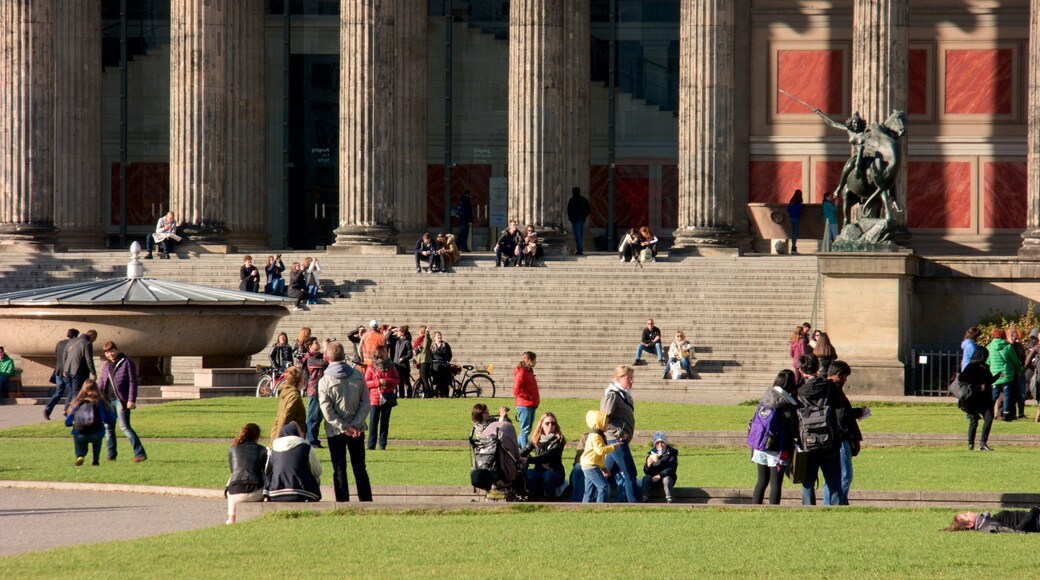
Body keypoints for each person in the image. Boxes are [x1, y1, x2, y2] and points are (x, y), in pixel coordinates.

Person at [318, 342, 372, 502]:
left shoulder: (325, 381)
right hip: (357, 428)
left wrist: (344, 427)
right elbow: (365, 403)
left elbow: (327, 411)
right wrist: (355, 424)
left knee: (339, 467)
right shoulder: (358, 375)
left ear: (327, 357)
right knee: (360, 467)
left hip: (335, 430)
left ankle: (342, 502)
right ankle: (366, 500)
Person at [796, 354, 842, 506]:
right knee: (834, 481)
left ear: (801, 370)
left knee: (808, 482)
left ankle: (808, 509)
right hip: (829, 439)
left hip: (807, 440)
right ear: (818, 367)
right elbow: (839, 408)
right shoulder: (830, 386)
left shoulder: (798, 390)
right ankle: (836, 509)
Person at [820, 360, 867, 506]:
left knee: (833, 475)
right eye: (845, 377)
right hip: (840, 437)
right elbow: (841, 414)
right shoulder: (834, 389)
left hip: (831, 436)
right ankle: (837, 503)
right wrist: (858, 412)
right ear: (839, 375)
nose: (846, 380)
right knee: (844, 475)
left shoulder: (825, 387)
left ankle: (836, 502)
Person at [749, 370, 800, 505]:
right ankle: (773, 509)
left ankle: (755, 507)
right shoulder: (788, 404)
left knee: (761, 480)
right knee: (776, 483)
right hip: (778, 448)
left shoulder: (766, 398)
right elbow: (793, 429)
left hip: (761, 443)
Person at [98, 341, 147, 463]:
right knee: (108, 428)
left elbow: (132, 382)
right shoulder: (106, 365)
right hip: (107, 400)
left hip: (121, 400)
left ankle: (140, 454)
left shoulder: (127, 362)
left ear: (117, 350)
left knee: (124, 427)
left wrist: (131, 399)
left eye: (112, 351)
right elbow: (101, 382)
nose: (110, 354)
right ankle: (111, 454)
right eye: (107, 353)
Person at [601, 365, 638, 502]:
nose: (631, 381)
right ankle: (634, 504)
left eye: (632, 378)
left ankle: (592, 499)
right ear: (618, 378)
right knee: (630, 472)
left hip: (620, 440)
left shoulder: (624, 395)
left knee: (606, 473)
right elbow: (603, 420)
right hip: (616, 441)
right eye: (628, 378)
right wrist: (619, 432)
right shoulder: (612, 395)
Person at [469, 404, 522, 500]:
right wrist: (501, 419)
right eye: (486, 412)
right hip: (491, 455)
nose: (488, 413)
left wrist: (504, 417)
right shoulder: (479, 427)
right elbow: (493, 435)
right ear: (480, 415)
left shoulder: (490, 421)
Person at [264, 422, 322, 502]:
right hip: (302, 493)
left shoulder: (274, 448)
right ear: (296, 433)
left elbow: (267, 471)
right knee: (316, 476)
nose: (303, 433)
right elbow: (318, 471)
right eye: (300, 430)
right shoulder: (306, 447)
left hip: (275, 492)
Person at [64, 379, 117, 466]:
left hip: (80, 433)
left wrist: (70, 423)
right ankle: (95, 460)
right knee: (97, 441)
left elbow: (67, 422)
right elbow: (111, 419)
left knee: (79, 443)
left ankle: (80, 455)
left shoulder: (77, 402)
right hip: (96, 433)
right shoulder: (101, 402)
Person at [225, 423, 267, 524]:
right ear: (257, 436)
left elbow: (233, 470)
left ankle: (232, 517)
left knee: (234, 475)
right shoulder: (262, 449)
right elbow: (264, 470)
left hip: (235, 494)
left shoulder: (232, 449)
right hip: (257, 493)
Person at [520, 412, 567, 500]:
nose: (550, 425)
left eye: (553, 423)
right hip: (539, 471)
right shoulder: (536, 438)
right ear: (541, 424)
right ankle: (533, 499)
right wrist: (516, 456)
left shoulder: (558, 440)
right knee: (529, 473)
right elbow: (525, 450)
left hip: (555, 472)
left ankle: (550, 500)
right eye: (547, 423)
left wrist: (528, 460)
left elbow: (548, 457)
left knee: (547, 476)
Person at [959, 347, 995, 451]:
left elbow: (989, 380)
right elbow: (962, 379)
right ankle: (971, 443)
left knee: (988, 418)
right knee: (974, 420)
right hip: (973, 398)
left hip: (985, 397)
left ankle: (983, 443)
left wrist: (998, 375)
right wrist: (977, 386)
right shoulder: (972, 366)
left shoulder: (985, 367)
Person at [365, 345, 400, 451]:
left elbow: (397, 380)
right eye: (384, 352)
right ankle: (371, 444)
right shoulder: (371, 367)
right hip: (375, 397)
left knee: (385, 422)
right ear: (380, 353)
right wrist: (377, 382)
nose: (387, 353)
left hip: (387, 397)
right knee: (373, 422)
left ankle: (382, 444)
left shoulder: (391, 366)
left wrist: (387, 381)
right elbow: (366, 382)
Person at [579, 409, 619, 503]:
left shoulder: (596, 435)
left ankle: (585, 508)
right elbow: (600, 451)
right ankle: (600, 507)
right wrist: (614, 446)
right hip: (591, 466)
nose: (607, 426)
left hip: (588, 465)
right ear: (599, 424)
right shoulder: (596, 437)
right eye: (606, 423)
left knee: (589, 491)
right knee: (603, 486)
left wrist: (603, 468)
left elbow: (596, 456)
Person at [987, 329, 1022, 422]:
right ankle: (1006, 414)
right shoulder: (1007, 346)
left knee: (994, 394)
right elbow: (1015, 360)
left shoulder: (990, 346)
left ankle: (987, 411)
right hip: (1006, 373)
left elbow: (988, 361)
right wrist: (1019, 370)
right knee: (1007, 395)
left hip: (995, 374)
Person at [44, 328, 80, 420]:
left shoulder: (59, 343)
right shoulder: (73, 344)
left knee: (58, 392)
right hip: (67, 371)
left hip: (58, 371)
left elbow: (57, 355)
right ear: (75, 336)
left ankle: (47, 409)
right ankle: (66, 410)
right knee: (72, 390)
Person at [302, 338, 329, 447]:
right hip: (314, 390)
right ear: (310, 346)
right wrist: (326, 349)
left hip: (321, 389)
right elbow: (324, 363)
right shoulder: (310, 358)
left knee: (318, 416)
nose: (318, 344)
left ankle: (314, 440)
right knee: (313, 416)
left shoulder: (317, 356)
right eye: (316, 343)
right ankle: (311, 441)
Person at [271, 366, 307, 442]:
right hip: (291, 437)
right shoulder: (294, 396)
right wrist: (277, 440)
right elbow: (285, 418)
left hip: (283, 434)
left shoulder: (287, 392)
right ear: (299, 380)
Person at [641, 431, 679, 503]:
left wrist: (659, 475)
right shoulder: (651, 454)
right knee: (646, 478)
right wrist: (648, 466)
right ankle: (644, 497)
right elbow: (646, 472)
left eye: (662, 442)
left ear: (665, 443)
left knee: (666, 479)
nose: (660, 445)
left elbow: (672, 469)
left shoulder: (672, 454)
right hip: (654, 479)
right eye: (657, 443)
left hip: (667, 478)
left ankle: (669, 498)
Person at [513, 352, 540, 448]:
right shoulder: (521, 373)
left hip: (531, 405)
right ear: (529, 360)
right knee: (525, 430)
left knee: (526, 430)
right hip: (524, 405)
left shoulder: (529, 372)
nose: (536, 362)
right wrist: (529, 397)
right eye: (535, 360)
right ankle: (525, 453)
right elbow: (516, 390)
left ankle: (514, 449)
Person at [62, 329, 98, 401]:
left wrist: (65, 369)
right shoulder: (87, 343)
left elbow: (64, 356)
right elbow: (89, 359)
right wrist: (93, 373)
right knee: (77, 392)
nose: (94, 340)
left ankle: (67, 407)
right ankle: (74, 407)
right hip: (78, 371)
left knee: (72, 391)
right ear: (92, 336)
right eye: (95, 338)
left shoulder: (71, 341)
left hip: (68, 371)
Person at [947, 507, 1040, 533]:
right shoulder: (989, 527)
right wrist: (1033, 511)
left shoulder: (986, 521)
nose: (969, 512)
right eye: (966, 515)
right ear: (969, 524)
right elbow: (1018, 530)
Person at [1008, 327, 1028, 419]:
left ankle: (1021, 413)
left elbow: (1023, 357)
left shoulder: (1018, 345)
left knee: (1021, 394)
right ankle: (1012, 413)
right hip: (1012, 372)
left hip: (1020, 372)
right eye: (1014, 334)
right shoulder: (1007, 346)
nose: (1016, 336)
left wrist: (1022, 367)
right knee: (1012, 393)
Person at [567, 186, 590, 255]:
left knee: (577, 235)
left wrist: (571, 218)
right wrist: (584, 216)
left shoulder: (572, 200)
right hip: (582, 219)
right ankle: (579, 248)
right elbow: (588, 209)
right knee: (580, 235)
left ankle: (580, 250)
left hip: (575, 220)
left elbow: (569, 210)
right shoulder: (584, 199)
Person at [392, 326, 414, 398]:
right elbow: (388, 337)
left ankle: (409, 396)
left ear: (402, 333)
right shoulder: (397, 341)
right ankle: (401, 396)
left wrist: (403, 358)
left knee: (406, 382)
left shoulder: (407, 342)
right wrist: (393, 330)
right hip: (397, 364)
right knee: (400, 382)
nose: (397, 332)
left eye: (398, 331)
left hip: (404, 365)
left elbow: (410, 354)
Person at [430, 331, 453, 398]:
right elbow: (430, 355)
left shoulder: (445, 345)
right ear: (434, 337)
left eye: (440, 335)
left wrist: (448, 360)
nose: (439, 336)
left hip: (444, 365)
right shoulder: (432, 346)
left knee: (444, 382)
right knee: (438, 382)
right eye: (438, 335)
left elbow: (450, 354)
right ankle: (438, 394)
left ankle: (445, 395)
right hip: (435, 366)